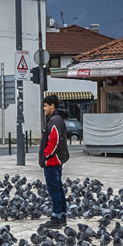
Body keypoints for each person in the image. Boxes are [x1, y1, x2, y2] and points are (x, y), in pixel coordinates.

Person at [39, 95, 70, 229]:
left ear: (52, 106)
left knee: (54, 190)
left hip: (52, 161)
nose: (44, 108)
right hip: (56, 160)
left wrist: (46, 156)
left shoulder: (54, 121)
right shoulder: (58, 119)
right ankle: (62, 215)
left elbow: (54, 141)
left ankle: (56, 217)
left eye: (46, 106)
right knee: (59, 189)